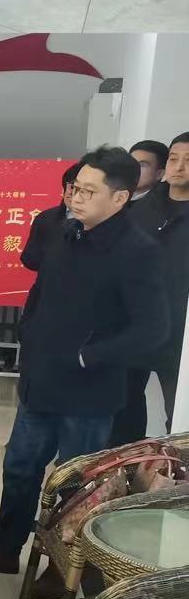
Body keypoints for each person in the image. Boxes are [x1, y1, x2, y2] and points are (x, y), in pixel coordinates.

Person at [0, 146, 167, 580]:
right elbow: (41, 294)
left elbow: (152, 328)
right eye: (75, 188)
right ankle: (3, 547)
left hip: (89, 393)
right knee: (19, 468)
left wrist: (88, 355)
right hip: (41, 381)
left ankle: (62, 568)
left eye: (89, 191)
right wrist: (31, 338)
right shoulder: (64, 232)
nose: (76, 197)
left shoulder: (138, 250)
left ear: (119, 198)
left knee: (76, 484)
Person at [112, 131, 189, 445]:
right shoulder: (140, 210)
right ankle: (123, 464)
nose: (179, 167)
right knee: (122, 405)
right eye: (174, 159)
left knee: (179, 411)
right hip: (134, 325)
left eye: (188, 160)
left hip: (180, 331)